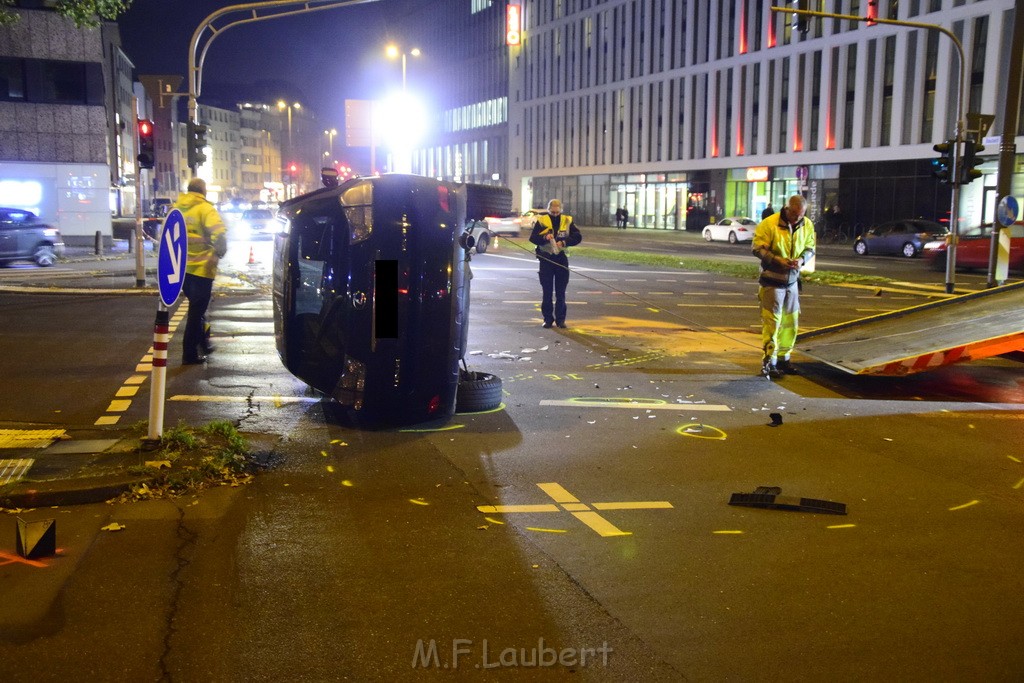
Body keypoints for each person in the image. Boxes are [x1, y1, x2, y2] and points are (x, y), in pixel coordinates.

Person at [752, 195, 815, 379]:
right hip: (772, 282)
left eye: (801, 215)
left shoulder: (807, 224)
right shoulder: (769, 224)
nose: (797, 218)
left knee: (790, 323)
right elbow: (757, 248)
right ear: (786, 209)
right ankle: (769, 361)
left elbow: (810, 248)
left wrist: (801, 260)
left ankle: (784, 359)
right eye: (794, 214)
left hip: (792, 282)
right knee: (772, 323)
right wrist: (777, 260)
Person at [176, 177, 227, 365]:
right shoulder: (205, 209)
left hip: (181, 270)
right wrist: (217, 254)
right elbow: (220, 236)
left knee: (198, 309)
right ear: (203, 191)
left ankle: (203, 343)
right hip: (201, 270)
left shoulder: (177, 209)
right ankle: (189, 354)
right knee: (196, 312)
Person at [529, 198, 582, 328]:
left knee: (561, 292)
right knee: (547, 291)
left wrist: (564, 242)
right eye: (552, 212)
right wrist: (544, 238)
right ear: (548, 210)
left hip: (561, 258)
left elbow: (578, 237)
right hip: (546, 259)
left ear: (561, 211)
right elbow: (533, 238)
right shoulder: (542, 220)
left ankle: (561, 320)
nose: (555, 215)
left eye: (557, 212)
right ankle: (548, 319)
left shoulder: (567, 220)